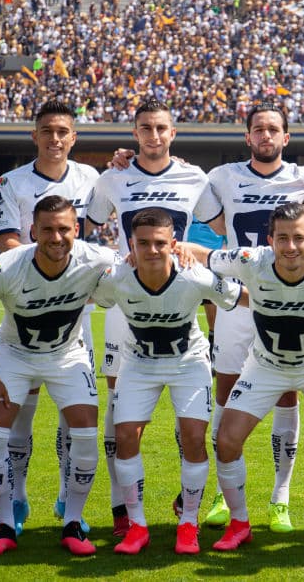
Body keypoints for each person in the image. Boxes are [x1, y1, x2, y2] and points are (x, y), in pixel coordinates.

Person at [192, 202, 304, 553]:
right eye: (283, 238)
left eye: (299, 238)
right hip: (265, 367)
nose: (291, 247)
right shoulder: (251, 260)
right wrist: (176, 247)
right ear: (270, 239)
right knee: (228, 441)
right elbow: (206, 257)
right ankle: (240, 523)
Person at [85, 98, 221, 537]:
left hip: (177, 300)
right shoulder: (113, 176)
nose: (154, 136)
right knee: (123, 420)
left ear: (173, 133)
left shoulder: (194, 176)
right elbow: (85, 229)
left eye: (162, 128)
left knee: (191, 419)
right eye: (146, 128)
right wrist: (114, 261)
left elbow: (221, 224)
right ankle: (122, 509)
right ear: (135, 132)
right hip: (128, 305)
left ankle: (189, 506)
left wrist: (194, 253)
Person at [0, 196, 115, 556]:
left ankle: (72, 523)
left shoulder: (98, 259)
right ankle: (4, 527)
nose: (56, 237)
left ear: (77, 229)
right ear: (33, 231)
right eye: (47, 229)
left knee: (85, 434)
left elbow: (140, 266)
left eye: (64, 229)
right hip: (13, 355)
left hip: (67, 355)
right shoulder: (6, 267)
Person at [197, 102, 304, 532]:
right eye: (258, 129)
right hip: (238, 300)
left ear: (286, 137)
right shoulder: (221, 178)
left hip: (288, 300)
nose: (265, 136)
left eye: (273, 129)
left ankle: (280, 497)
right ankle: (222, 491)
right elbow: (213, 232)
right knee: (227, 389)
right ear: (247, 136)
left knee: (287, 391)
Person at [92, 208, 243, 555]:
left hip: (188, 363)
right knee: (125, 436)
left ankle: (188, 523)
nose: (152, 250)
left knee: (193, 437)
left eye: (160, 243)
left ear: (173, 243)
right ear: (131, 244)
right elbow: (85, 297)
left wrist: (287, 305)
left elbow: (238, 297)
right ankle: (137, 525)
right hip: (139, 364)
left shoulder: (195, 276)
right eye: (142, 243)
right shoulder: (117, 277)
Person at [0, 99, 100, 537]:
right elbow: (8, 243)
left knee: (74, 411)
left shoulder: (91, 179)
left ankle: (64, 495)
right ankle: (17, 496)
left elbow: (89, 237)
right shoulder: (11, 182)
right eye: (47, 131)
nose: (55, 139)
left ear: (73, 138)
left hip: (78, 312)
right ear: (34, 135)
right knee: (21, 410)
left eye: (63, 132)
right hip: (27, 307)